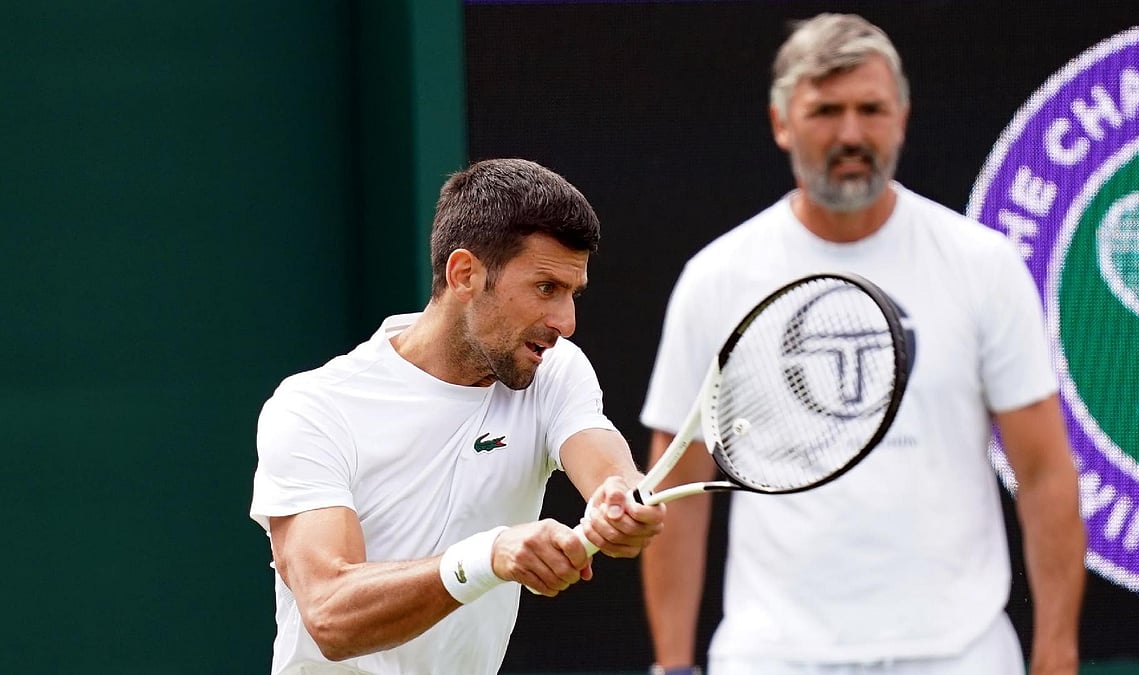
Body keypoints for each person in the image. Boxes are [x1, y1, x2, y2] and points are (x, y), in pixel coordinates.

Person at [639, 13, 1085, 675]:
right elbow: (675, 483)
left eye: (871, 109)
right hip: (771, 655)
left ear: (902, 118)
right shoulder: (716, 277)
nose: (851, 133)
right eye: (825, 110)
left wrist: (1055, 654)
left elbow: (1045, 472)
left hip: (959, 654)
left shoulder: (981, 263)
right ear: (781, 122)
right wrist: (673, 665)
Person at [250, 158, 666, 674]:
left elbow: (606, 467)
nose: (566, 322)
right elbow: (329, 614)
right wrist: (487, 556)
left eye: (572, 293)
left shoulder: (552, 370)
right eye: (545, 288)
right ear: (464, 274)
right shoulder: (314, 408)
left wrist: (621, 500)